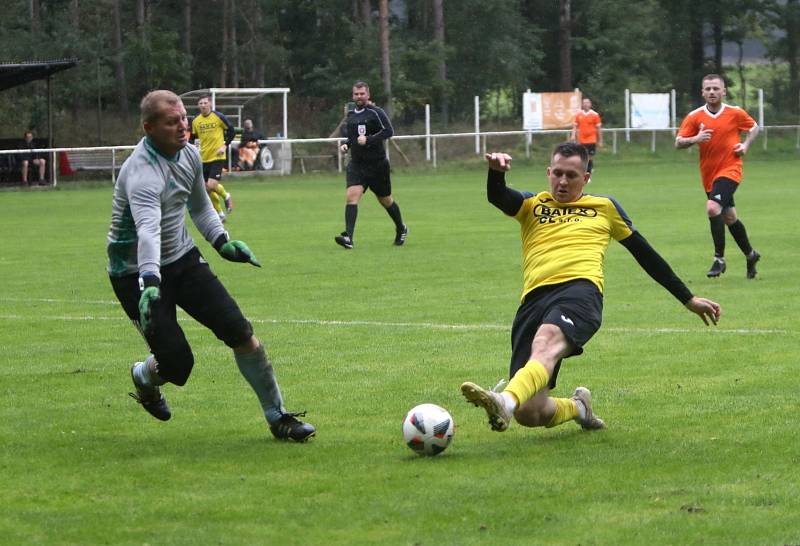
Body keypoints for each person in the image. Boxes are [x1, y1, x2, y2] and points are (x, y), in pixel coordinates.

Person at [460, 143, 721, 434]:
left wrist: (688, 298)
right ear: (548, 172)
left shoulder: (604, 208)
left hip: (580, 292)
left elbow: (644, 253)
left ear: (585, 179)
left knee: (545, 342)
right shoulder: (532, 205)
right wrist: (495, 173)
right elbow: (498, 196)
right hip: (533, 301)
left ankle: (503, 401)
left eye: (571, 175)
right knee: (530, 412)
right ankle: (578, 407)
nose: (562, 181)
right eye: (557, 173)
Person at [107, 90, 315, 442]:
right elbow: (148, 232)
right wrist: (149, 279)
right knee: (178, 366)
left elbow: (200, 208)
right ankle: (144, 376)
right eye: (172, 123)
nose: (182, 127)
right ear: (149, 128)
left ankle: (278, 416)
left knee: (241, 333)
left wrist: (222, 242)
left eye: (184, 119)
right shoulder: (141, 173)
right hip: (136, 273)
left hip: (182, 259)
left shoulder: (189, 155)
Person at [676, 74, 761, 279]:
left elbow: (754, 127)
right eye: (708, 89)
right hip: (708, 174)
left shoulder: (735, 113)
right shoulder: (695, 116)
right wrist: (696, 138)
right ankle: (751, 255)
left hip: (731, 169)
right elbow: (678, 142)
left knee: (713, 208)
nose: (712, 92)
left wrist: (745, 145)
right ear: (702, 92)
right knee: (729, 217)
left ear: (724, 92)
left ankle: (718, 259)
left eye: (716, 88)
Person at [335, 81, 407, 249]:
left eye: (362, 94)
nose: (359, 97)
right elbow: (353, 137)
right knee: (352, 196)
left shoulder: (376, 113)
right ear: (353, 96)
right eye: (356, 94)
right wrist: (347, 144)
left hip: (377, 165)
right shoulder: (351, 115)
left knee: (386, 201)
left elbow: (389, 131)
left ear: (368, 95)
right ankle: (349, 238)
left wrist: (369, 139)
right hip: (357, 165)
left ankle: (401, 227)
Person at [190, 95, 235, 222]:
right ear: (198, 106)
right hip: (203, 158)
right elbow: (192, 138)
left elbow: (231, 131)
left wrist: (224, 146)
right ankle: (220, 215)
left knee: (211, 185)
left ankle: (226, 196)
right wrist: (194, 147)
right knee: (206, 189)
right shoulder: (195, 121)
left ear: (210, 104)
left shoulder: (219, 117)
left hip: (217, 156)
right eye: (200, 103)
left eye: (205, 102)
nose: (203, 105)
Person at [571, 98, 603, 174]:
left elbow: (599, 128)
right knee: (583, 156)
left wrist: (600, 140)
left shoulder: (595, 115)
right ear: (582, 104)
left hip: (592, 139)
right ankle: (588, 169)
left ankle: (588, 172)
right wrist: (573, 135)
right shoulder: (579, 115)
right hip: (581, 139)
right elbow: (575, 126)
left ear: (590, 104)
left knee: (589, 156)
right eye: (584, 103)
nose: (586, 104)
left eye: (587, 103)